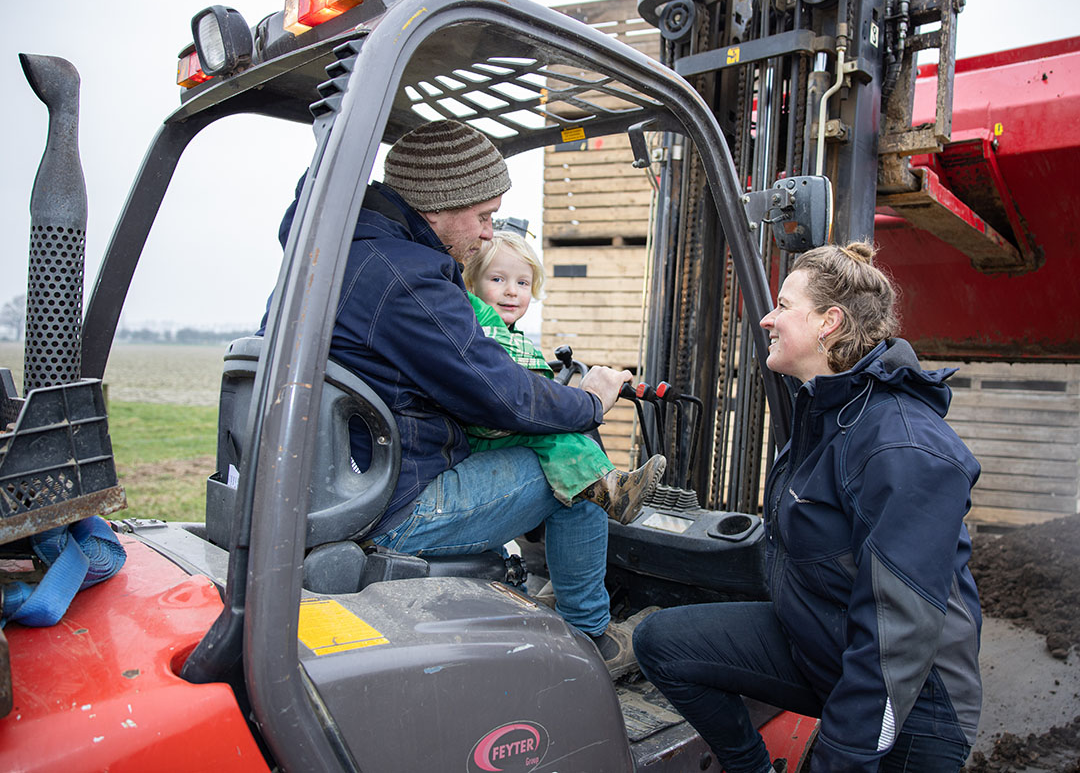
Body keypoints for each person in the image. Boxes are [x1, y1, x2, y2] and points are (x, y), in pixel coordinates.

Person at [271, 119, 636, 675]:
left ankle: (552, 593)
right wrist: (589, 401)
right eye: (484, 216)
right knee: (582, 465)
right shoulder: (406, 277)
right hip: (399, 506)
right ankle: (590, 635)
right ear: (439, 206)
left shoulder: (333, 251)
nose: (490, 234)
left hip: (338, 484)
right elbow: (503, 397)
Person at [632, 243, 982, 772]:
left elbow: (897, 641)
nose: (767, 318)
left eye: (783, 304)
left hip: (911, 704)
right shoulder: (826, 415)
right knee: (663, 643)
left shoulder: (903, 446)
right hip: (826, 647)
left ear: (829, 322)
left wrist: (841, 757)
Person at [461, 230, 666, 524]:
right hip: (484, 436)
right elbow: (518, 391)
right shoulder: (479, 318)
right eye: (497, 279)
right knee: (561, 439)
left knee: (565, 444)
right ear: (471, 283)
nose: (511, 291)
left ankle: (609, 488)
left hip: (494, 427)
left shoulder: (507, 333)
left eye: (522, 283)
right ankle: (613, 491)